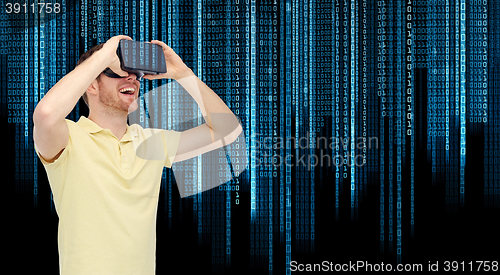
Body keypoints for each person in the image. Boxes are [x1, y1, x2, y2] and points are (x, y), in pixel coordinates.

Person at [33, 35, 242, 274]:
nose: (132, 77)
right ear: (91, 84)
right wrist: (103, 56)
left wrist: (183, 74)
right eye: (118, 70)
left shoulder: (151, 143)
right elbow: (46, 115)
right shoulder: (68, 138)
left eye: (135, 73)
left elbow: (227, 129)